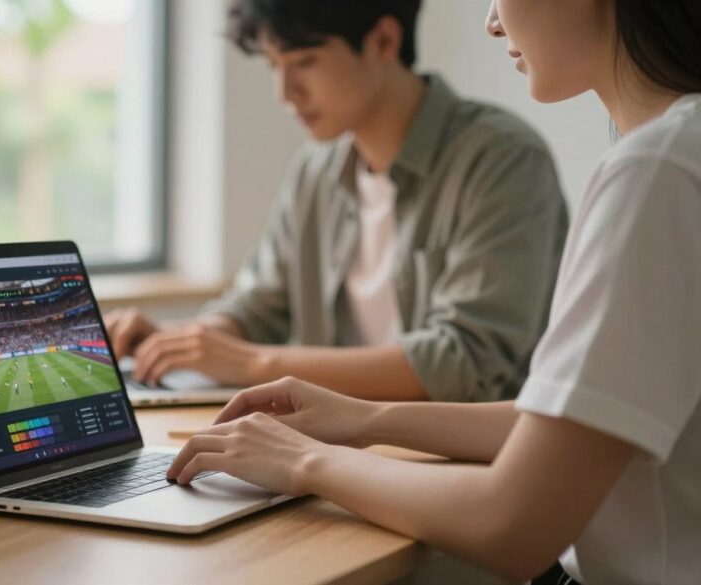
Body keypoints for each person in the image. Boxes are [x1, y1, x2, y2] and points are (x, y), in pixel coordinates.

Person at [168, 1, 701, 582]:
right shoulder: (672, 151)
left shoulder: (656, 169)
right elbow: (569, 424)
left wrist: (304, 460)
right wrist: (366, 419)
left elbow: (512, 524)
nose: (493, 21)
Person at [106, 0, 568, 403]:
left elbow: (463, 364)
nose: (285, 93)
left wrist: (250, 363)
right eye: (274, 64)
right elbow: (259, 308)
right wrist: (175, 343)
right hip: (332, 451)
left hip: (457, 467)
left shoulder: (502, 160)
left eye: (305, 61)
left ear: (384, 40)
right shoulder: (316, 169)